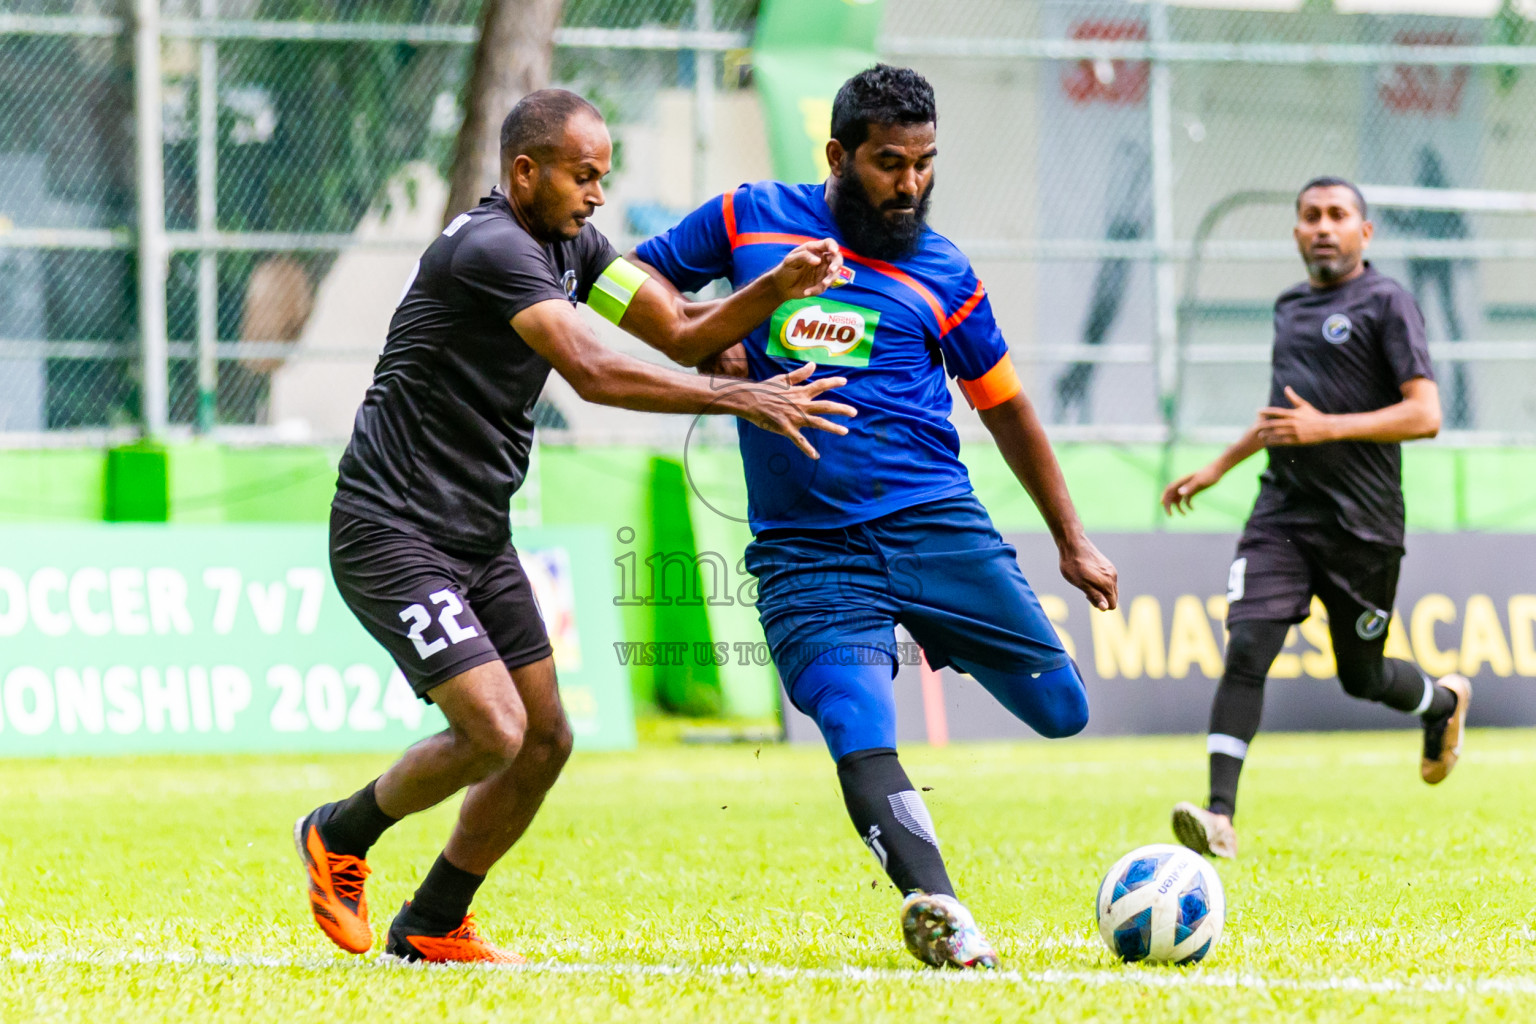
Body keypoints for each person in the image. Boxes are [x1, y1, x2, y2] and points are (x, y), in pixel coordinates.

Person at [296, 88, 857, 964]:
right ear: (527, 172)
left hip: (475, 536)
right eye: (584, 176)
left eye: (604, 176)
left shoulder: (577, 247)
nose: (598, 195)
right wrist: (733, 394)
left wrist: (773, 288)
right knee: (494, 730)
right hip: (391, 529)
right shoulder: (492, 247)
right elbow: (593, 370)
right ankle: (340, 833)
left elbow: (675, 329)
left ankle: (434, 920)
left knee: (547, 737)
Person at [629, 65, 1118, 970]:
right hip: (807, 552)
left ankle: (939, 627)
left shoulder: (946, 273)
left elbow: (1006, 408)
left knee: (1062, 710)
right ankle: (941, 910)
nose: (911, 185)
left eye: (925, 163)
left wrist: (1071, 538)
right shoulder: (748, 217)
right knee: (856, 720)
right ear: (837, 156)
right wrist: (711, 334)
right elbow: (623, 281)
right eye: (890, 163)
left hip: (934, 525)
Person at [1162, 176, 1471, 860]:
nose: (1323, 226)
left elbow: (1426, 415)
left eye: (1338, 215)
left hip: (1363, 525)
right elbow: (1284, 417)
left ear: (1366, 232)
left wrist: (1327, 429)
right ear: (1296, 232)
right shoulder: (1290, 307)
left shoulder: (1387, 301)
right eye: (1310, 216)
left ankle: (1444, 707)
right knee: (1247, 647)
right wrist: (1221, 464)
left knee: (1361, 678)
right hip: (1283, 512)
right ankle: (1219, 815)